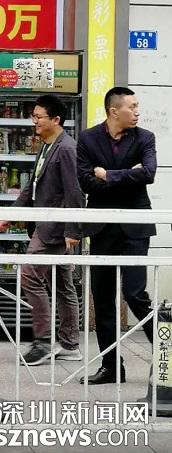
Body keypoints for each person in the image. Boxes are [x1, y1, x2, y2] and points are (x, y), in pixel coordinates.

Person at [0, 94, 83, 366]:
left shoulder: (66, 149)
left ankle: (43, 342)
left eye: (38, 117)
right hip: (48, 226)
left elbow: (75, 192)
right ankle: (69, 344)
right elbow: (31, 188)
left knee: (30, 276)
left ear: (56, 119)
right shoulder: (47, 146)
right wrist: (11, 216)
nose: (34, 121)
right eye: (33, 116)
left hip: (54, 229)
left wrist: (73, 231)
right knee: (63, 285)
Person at [77, 86, 156, 385]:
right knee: (103, 298)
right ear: (114, 111)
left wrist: (108, 175)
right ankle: (111, 367)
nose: (137, 112)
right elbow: (86, 182)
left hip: (135, 226)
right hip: (101, 227)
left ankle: (168, 352)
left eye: (137, 107)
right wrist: (127, 175)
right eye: (131, 107)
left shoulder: (145, 137)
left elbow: (148, 173)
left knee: (135, 294)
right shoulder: (87, 138)